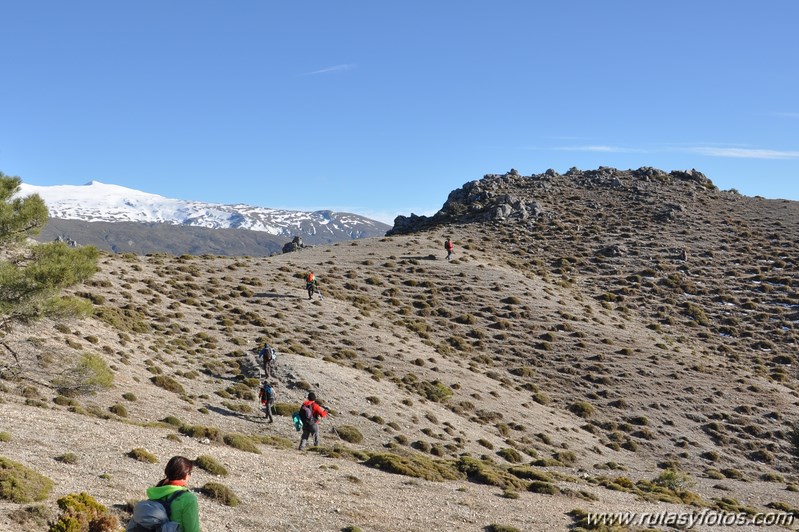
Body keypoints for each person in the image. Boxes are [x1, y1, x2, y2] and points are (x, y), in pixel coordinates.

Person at [131, 456, 200, 532]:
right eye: (189, 473)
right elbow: (192, 530)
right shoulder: (188, 498)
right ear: (185, 475)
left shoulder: (156, 492)